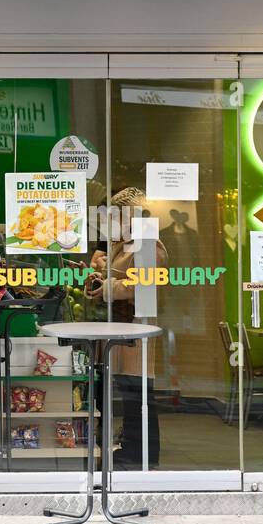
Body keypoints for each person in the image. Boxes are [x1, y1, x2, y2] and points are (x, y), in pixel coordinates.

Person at [85, 187, 166, 469]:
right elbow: (122, 273)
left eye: (115, 215)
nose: (110, 221)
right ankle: (133, 450)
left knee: (139, 392)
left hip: (137, 326)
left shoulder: (146, 242)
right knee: (131, 390)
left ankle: (142, 455)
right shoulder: (128, 242)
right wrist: (102, 276)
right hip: (124, 326)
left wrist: (107, 286)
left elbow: (144, 284)